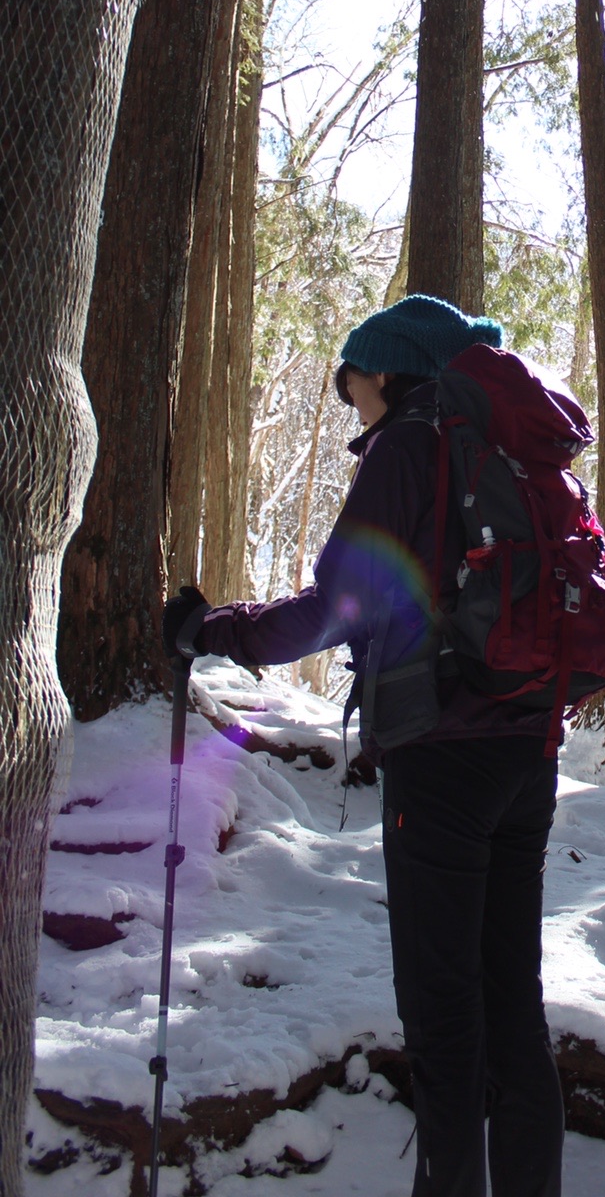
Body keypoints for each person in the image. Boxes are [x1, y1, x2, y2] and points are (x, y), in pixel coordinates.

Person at [163, 295, 565, 1197]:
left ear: (385, 371)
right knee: (512, 1006)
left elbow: (335, 607)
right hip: (529, 749)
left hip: (443, 757)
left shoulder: (408, 448)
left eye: (352, 387)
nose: (352, 406)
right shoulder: (501, 444)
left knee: (444, 1015)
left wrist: (207, 630)